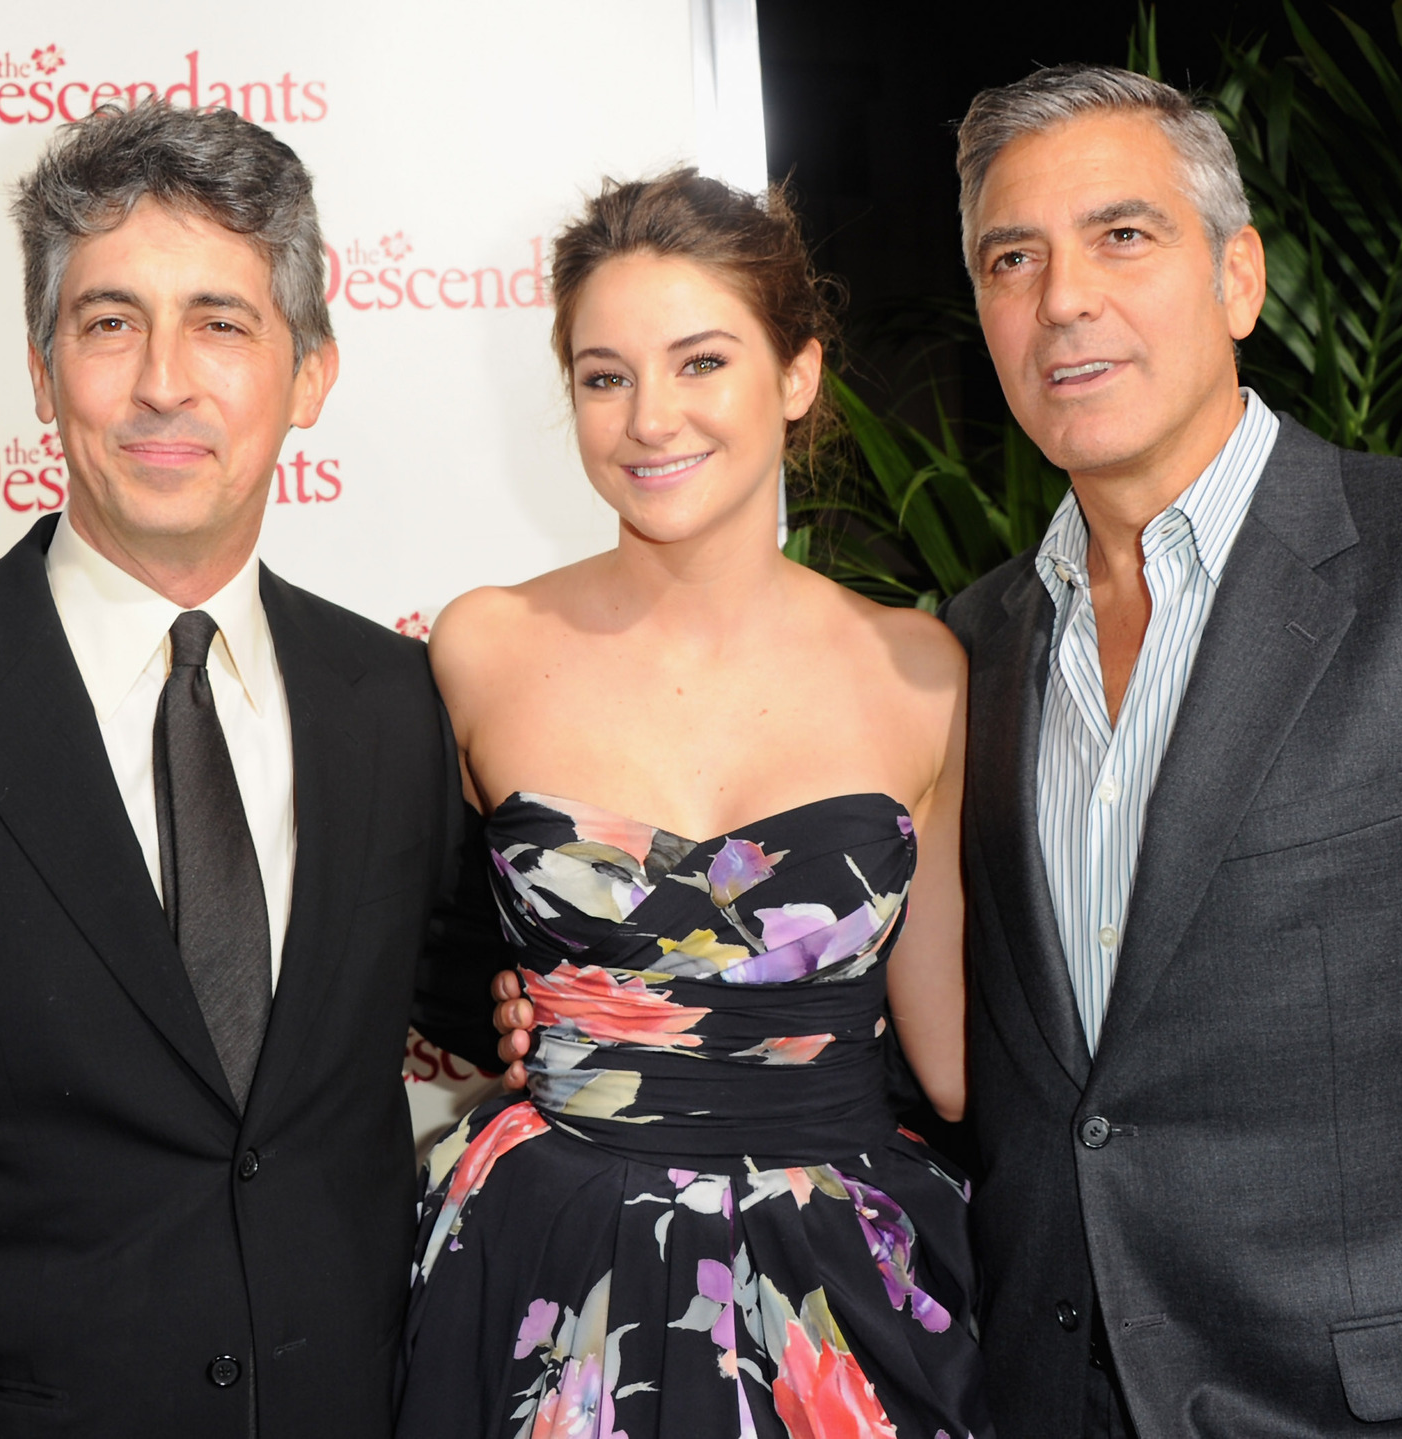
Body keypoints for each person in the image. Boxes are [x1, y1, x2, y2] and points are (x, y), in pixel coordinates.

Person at [0, 100, 498, 1436]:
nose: (164, 381)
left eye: (222, 323)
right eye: (110, 320)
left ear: (310, 373)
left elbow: (494, 998)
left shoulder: (404, 706)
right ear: (38, 365)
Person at [936, 65, 1402, 1438]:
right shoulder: (971, 646)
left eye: (1124, 235)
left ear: (1240, 278)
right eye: (1014, 256)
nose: (1063, 298)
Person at [398, 168, 989, 1438]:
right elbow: (402, 937)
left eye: (700, 361)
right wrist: (494, 1003)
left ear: (796, 375)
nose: (647, 417)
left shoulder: (920, 669)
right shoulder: (480, 647)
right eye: (603, 374)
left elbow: (951, 1059)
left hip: (842, 1294)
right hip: (538, 1264)